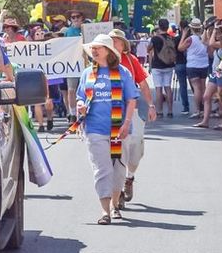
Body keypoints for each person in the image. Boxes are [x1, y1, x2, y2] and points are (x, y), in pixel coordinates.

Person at [76, 35, 139, 225]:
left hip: (119, 129)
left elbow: (131, 100)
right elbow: (80, 97)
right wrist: (81, 105)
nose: (94, 51)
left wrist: (127, 123)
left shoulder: (123, 72)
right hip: (95, 128)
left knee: (118, 170)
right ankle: (105, 211)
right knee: (102, 170)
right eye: (93, 48)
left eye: (99, 48)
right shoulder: (88, 73)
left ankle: (114, 204)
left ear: (109, 51)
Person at [109, 29, 155, 203]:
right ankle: (118, 190)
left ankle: (130, 177)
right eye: (110, 40)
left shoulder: (130, 60)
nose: (113, 44)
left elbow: (143, 84)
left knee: (135, 151)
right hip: (111, 111)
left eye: (116, 41)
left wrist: (150, 105)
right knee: (117, 150)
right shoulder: (101, 61)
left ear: (123, 44)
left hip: (132, 109)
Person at [193, 23, 222, 129]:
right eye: (215, 33)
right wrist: (205, 28)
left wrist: (215, 29)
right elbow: (204, 41)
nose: (216, 35)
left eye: (218, 33)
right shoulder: (218, 44)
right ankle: (205, 121)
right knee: (206, 96)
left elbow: (211, 42)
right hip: (215, 73)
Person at [180, 18, 210, 118]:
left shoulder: (190, 39)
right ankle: (204, 110)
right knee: (203, 87)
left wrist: (184, 35)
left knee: (196, 88)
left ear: (191, 28)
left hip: (193, 65)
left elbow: (180, 48)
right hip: (204, 64)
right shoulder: (205, 38)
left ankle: (198, 110)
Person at [147, 19, 177, 118]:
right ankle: (170, 110)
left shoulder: (155, 38)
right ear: (167, 26)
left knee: (158, 89)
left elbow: (149, 49)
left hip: (157, 66)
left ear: (159, 26)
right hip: (169, 65)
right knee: (168, 87)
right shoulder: (171, 38)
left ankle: (159, 111)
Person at [63, 12, 85, 123]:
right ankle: (72, 114)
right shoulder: (67, 31)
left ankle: (84, 112)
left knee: (86, 89)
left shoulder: (87, 29)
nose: (75, 19)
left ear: (82, 18)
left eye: (77, 17)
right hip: (72, 64)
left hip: (85, 63)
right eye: (73, 17)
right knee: (71, 90)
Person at [174, 19, 191, 115]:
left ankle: (186, 106)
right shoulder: (192, 38)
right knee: (195, 85)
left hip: (180, 63)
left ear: (180, 27)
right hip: (191, 63)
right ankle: (199, 106)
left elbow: (175, 50)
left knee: (183, 85)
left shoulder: (176, 39)